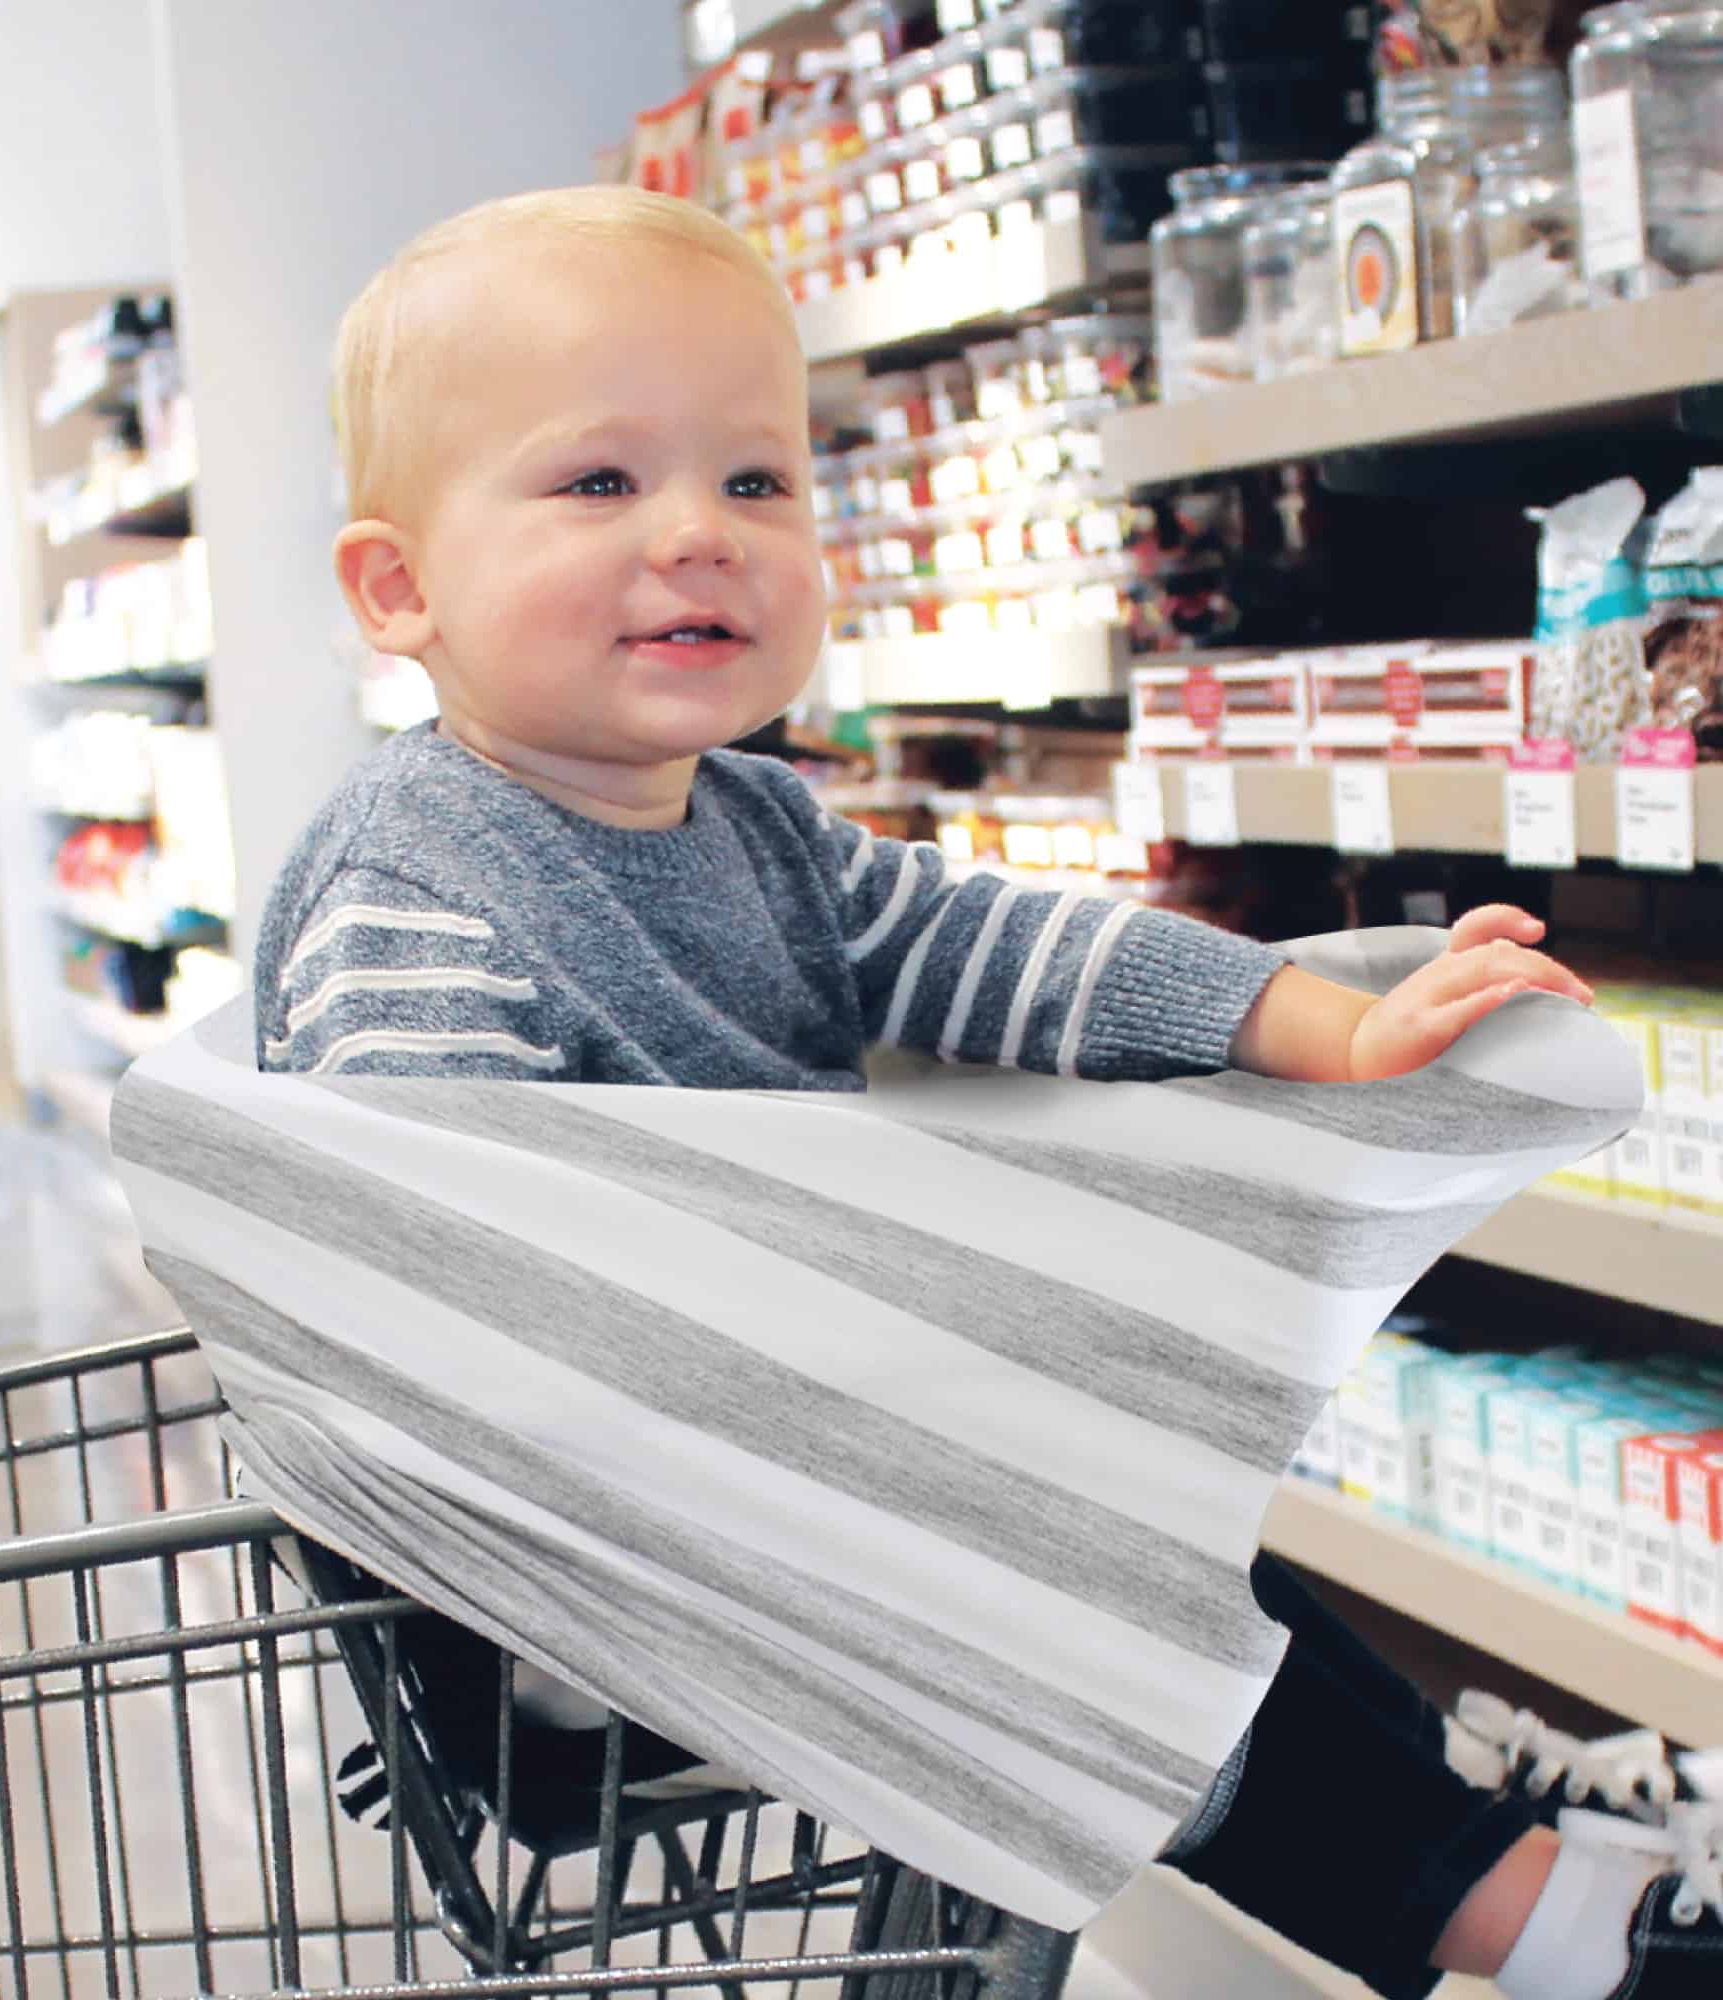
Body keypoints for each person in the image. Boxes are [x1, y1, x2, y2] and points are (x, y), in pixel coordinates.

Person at [254, 184, 1719, 1999]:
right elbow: (422, 1267)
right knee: (1105, 1630)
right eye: (601, 484)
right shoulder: (425, 889)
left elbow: (982, 945)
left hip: (789, 1504)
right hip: (586, 1586)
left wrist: (1303, 1021)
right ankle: (1544, 1920)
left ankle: (1530, 1881)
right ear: (400, 589)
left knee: (1171, 1565)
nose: (701, 536)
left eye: (759, 482)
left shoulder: (753, 826)